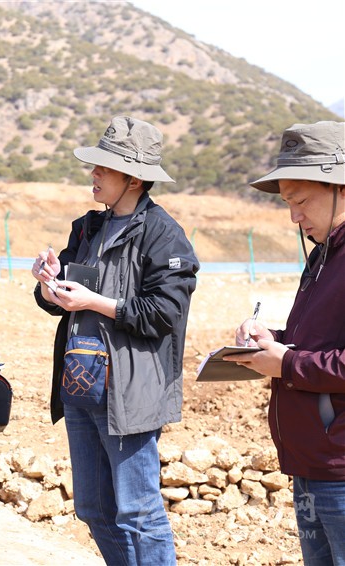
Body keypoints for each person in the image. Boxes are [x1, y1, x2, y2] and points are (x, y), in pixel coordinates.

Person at [31, 116, 199, 564]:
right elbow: (59, 303)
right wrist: (48, 284)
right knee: (93, 508)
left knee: (139, 511)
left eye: (103, 169)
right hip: (80, 386)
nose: (93, 174)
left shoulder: (164, 235)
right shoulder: (87, 228)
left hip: (128, 394)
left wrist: (95, 301)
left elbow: (165, 313)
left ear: (134, 179)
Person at [228, 121, 345, 566]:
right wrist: (272, 341)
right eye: (287, 203)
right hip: (312, 461)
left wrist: (287, 364)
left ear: (341, 188)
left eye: (301, 201)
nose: (294, 216)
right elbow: (319, 340)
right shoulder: (323, 254)